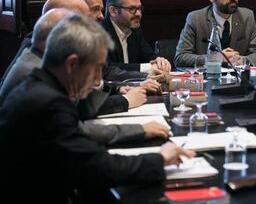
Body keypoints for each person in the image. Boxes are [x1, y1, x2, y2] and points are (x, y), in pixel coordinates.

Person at [0, 14, 194, 204]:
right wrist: (160, 158)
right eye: (96, 68)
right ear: (72, 64)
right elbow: (98, 168)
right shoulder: (48, 103)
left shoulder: (38, 86)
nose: (98, 80)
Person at [0, 9, 169, 146]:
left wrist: (118, 89)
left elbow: (75, 127)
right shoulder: (37, 80)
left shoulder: (45, 66)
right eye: (82, 21)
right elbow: (81, 128)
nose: (100, 19)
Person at [174, 0, 256, 67]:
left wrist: (242, 60)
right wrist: (215, 58)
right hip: (208, 78)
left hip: (238, 79)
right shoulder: (196, 19)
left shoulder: (247, 16)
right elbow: (180, 57)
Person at [102, 0, 171, 74]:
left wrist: (159, 61)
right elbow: (107, 67)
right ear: (113, 11)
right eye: (132, 9)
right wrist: (148, 67)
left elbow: (149, 56)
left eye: (139, 8)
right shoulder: (99, 33)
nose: (138, 14)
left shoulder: (135, 31)